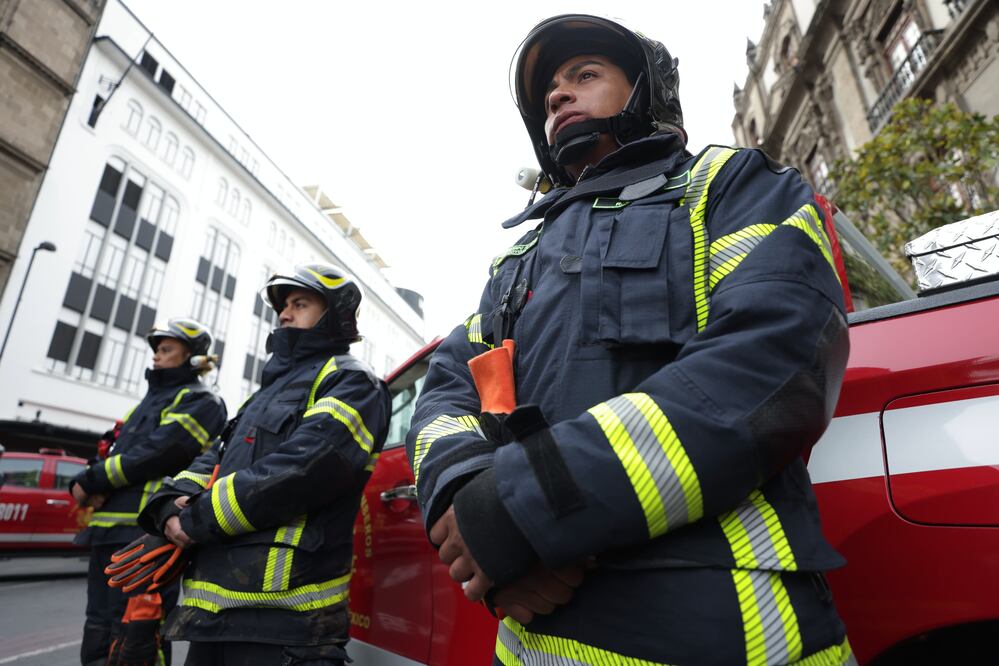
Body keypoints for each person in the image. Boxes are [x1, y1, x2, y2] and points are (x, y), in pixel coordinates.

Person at [407, 14, 856, 666]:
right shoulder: (514, 263)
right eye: (547, 93)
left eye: (583, 75)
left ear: (649, 92)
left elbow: (777, 356)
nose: (557, 96)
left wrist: (524, 510)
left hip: (717, 626)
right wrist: (468, 506)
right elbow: (456, 389)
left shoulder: (729, 188)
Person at [137, 264, 391, 666]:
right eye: (283, 306)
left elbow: (306, 467)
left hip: (288, 627)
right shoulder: (266, 394)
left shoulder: (352, 382)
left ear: (335, 315)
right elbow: (215, 458)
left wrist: (194, 519)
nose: (284, 315)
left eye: (300, 303)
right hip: (212, 619)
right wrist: (170, 503)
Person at [72, 318, 227, 666]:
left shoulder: (202, 400)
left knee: (139, 634)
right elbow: (112, 451)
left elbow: (156, 454)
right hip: (107, 532)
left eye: (167, 349)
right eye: (157, 349)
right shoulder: (143, 404)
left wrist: (91, 481)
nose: (157, 356)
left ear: (194, 358)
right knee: (98, 628)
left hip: (145, 535)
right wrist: (89, 477)